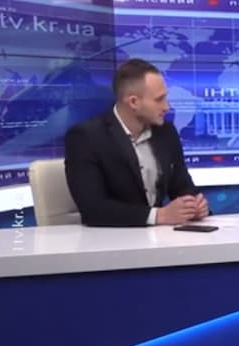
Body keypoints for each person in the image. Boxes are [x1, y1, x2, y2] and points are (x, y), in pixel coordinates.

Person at [64, 58, 209, 227]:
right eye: (159, 99)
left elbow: (182, 186)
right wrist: (158, 216)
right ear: (133, 102)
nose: (166, 107)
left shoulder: (166, 132)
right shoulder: (86, 137)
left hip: (159, 238)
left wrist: (195, 206)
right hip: (110, 238)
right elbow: (93, 209)